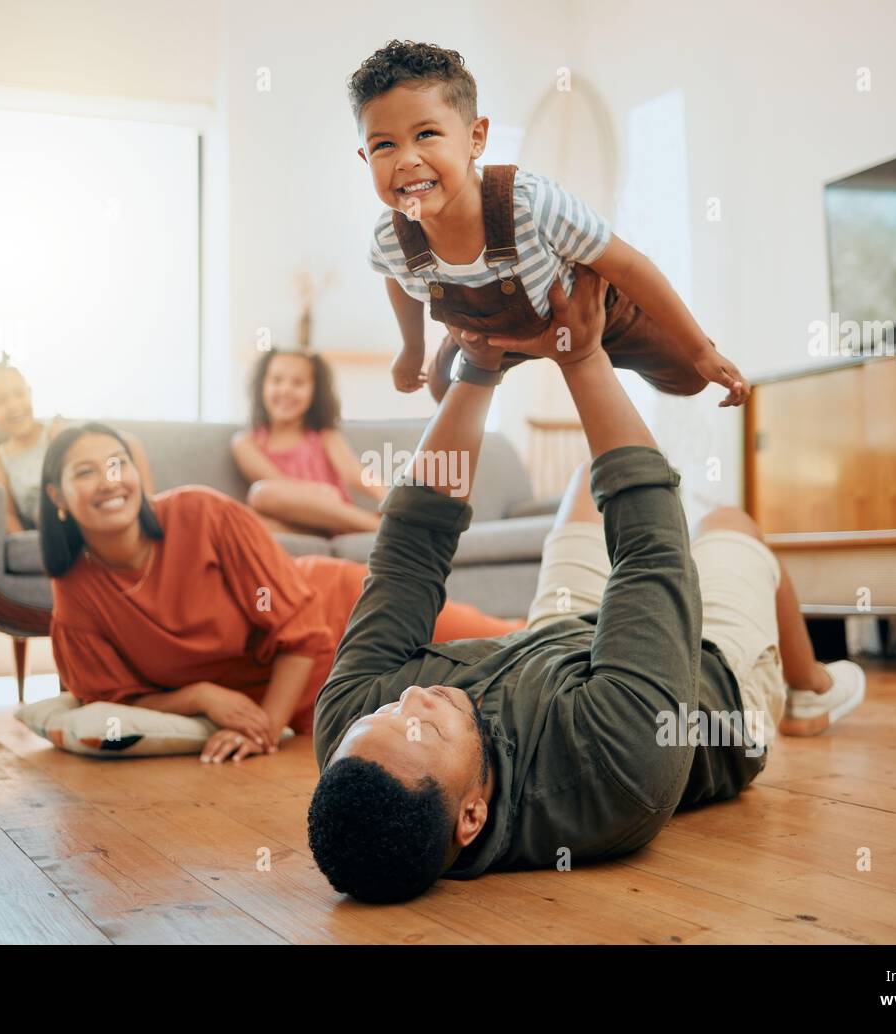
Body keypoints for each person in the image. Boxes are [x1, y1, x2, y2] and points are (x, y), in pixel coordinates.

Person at [307, 266, 865, 903]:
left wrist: (477, 368)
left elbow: (409, 552)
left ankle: (500, 353)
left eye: (386, 711)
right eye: (424, 728)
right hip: (713, 686)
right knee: (729, 524)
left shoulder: (360, 742)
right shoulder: (617, 769)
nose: (413, 699)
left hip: (552, 649)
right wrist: (583, 353)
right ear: (472, 816)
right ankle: (809, 688)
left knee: (580, 488)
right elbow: (654, 552)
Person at [41, 421, 523, 763]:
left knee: (508, 647)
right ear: (57, 497)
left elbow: (303, 633)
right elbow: (113, 698)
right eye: (84, 472)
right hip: (323, 700)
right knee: (477, 701)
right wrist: (200, 697)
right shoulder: (76, 592)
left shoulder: (200, 513)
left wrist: (266, 728)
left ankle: (585, 633)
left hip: (348, 613)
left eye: (116, 463)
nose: (108, 481)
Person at [349, 39, 750, 405]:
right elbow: (397, 277)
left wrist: (700, 350)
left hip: (587, 310)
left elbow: (628, 265)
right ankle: (462, 354)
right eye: (384, 144)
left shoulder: (531, 204)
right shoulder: (391, 237)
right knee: (440, 391)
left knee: (686, 376)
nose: (406, 159)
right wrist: (412, 347)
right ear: (366, 159)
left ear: (476, 139)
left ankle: (651, 356)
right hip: (493, 336)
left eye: (426, 134)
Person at [0, 353, 155, 533]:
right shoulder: (0, 456)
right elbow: (7, 512)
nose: (13, 406)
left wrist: (146, 505)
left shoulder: (57, 432)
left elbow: (129, 443)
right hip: (47, 531)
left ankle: (146, 515)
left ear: (29, 393)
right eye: (0, 401)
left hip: (81, 514)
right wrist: (22, 544)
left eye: (19, 394)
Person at [231, 348, 386, 536]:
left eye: (298, 383)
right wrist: (317, 491)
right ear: (262, 385)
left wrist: (388, 499)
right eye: (277, 380)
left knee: (261, 494)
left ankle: (379, 526)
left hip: (333, 511)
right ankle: (361, 526)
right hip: (290, 517)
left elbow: (356, 474)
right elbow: (279, 485)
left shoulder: (325, 437)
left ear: (315, 392)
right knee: (258, 497)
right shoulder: (246, 443)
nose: (286, 390)